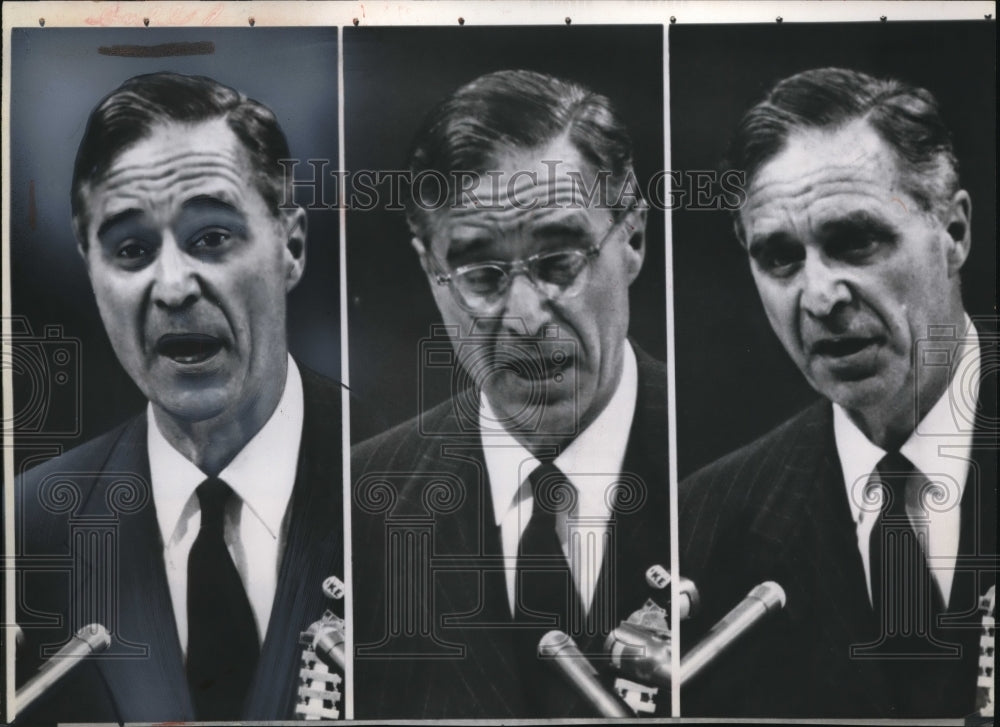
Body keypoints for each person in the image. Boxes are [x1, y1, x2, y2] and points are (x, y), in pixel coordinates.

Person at [14, 72, 343, 723]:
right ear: (90, 270)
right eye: (131, 249)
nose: (172, 286)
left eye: (212, 237)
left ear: (292, 245)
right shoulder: (26, 531)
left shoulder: (417, 481)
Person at [351, 69, 670, 718]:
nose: (524, 317)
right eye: (482, 273)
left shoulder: (757, 471)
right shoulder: (355, 512)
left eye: (559, 263)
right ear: (430, 270)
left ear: (634, 235)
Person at [679, 67, 996, 718]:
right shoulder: (705, 523)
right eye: (780, 257)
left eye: (856, 241)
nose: (820, 295)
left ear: (954, 233)